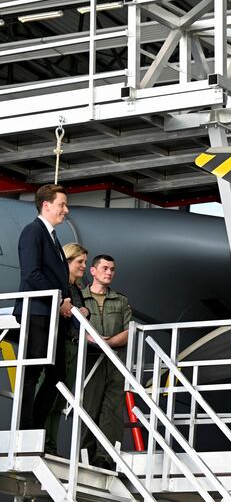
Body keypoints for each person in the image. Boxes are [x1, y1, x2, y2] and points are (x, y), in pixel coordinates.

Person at [12, 184, 73, 432]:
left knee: (57, 373)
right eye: (62, 204)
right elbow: (32, 274)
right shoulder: (33, 232)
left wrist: (68, 303)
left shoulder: (52, 237)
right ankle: (26, 428)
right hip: (38, 312)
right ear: (46, 206)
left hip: (51, 314)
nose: (66, 210)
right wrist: (59, 300)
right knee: (32, 372)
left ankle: (35, 425)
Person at [80, 254, 131, 468]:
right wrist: (95, 342)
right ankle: (84, 455)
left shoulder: (120, 300)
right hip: (90, 361)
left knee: (113, 411)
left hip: (115, 362)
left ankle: (105, 458)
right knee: (89, 408)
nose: (109, 272)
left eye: (112, 269)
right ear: (93, 271)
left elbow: (129, 330)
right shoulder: (80, 298)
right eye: (104, 268)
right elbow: (75, 328)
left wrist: (108, 344)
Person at [43, 243, 91, 455]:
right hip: (60, 344)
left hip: (74, 346)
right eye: (80, 262)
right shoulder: (60, 286)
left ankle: (51, 444)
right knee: (50, 395)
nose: (83, 266)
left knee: (61, 399)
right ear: (68, 261)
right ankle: (45, 442)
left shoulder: (77, 290)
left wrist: (85, 312)